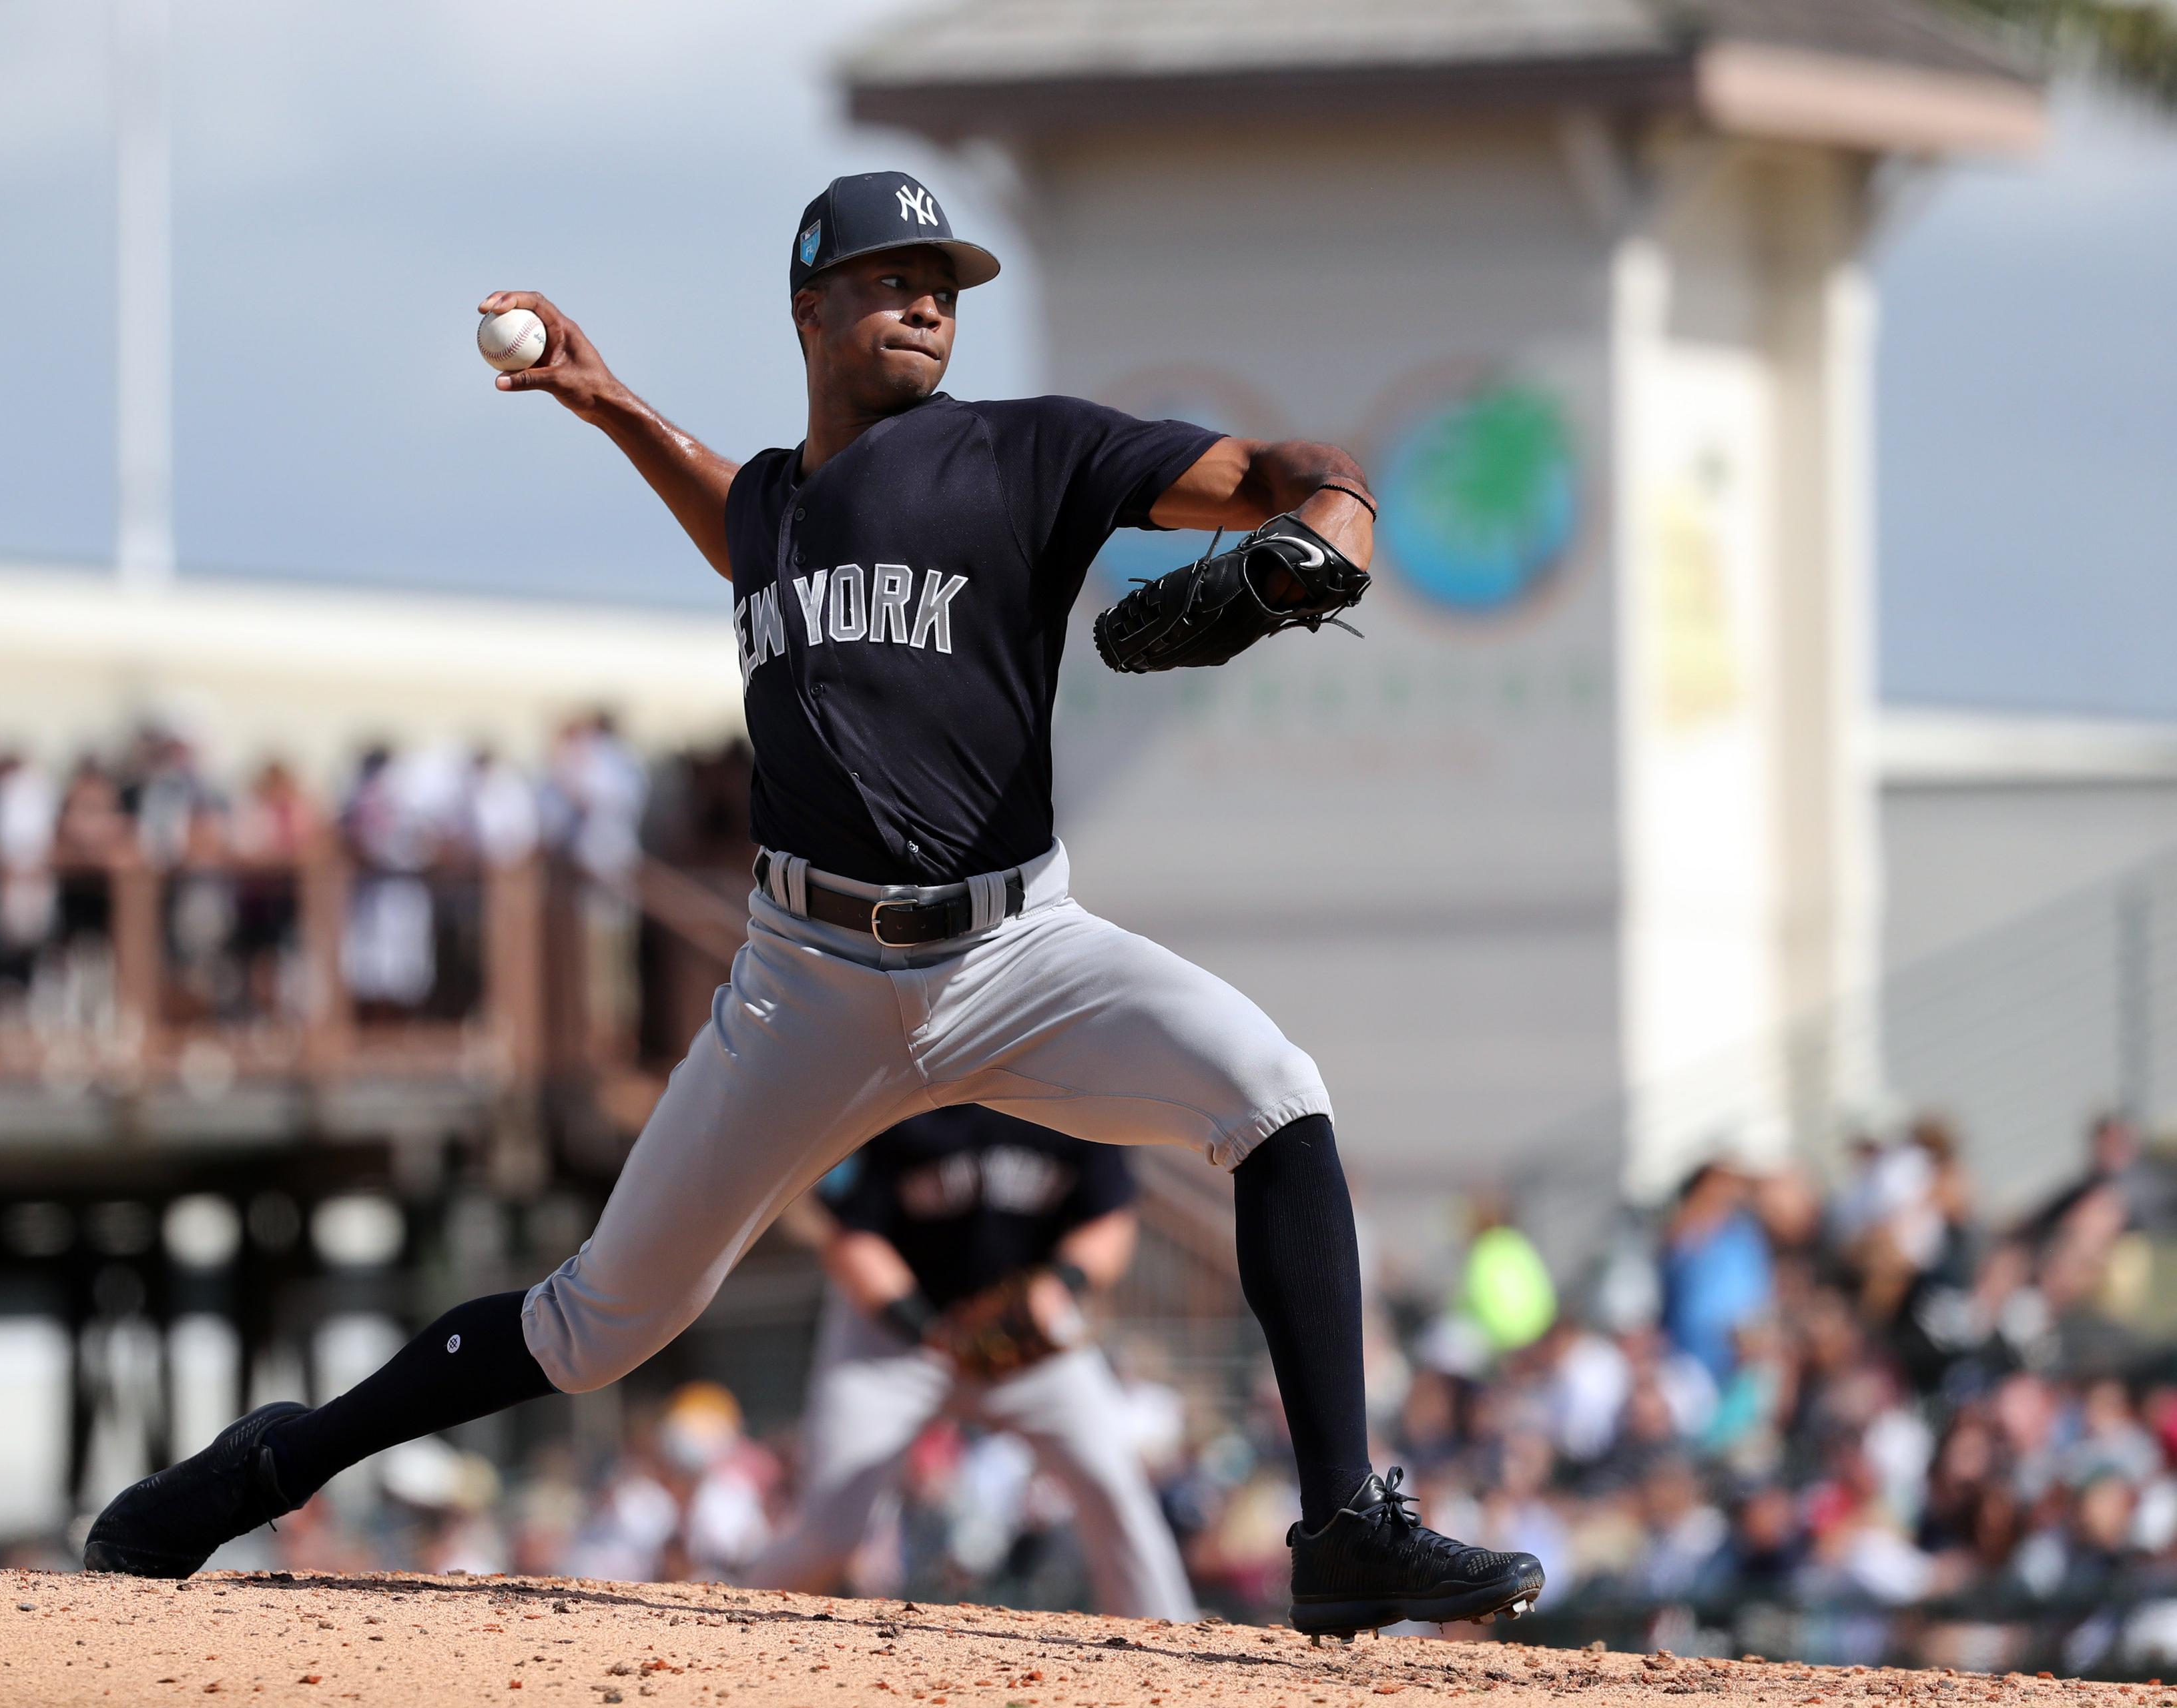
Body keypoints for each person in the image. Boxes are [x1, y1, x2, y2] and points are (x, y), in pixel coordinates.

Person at [85, 169, 1542, 1634]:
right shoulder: (777, 507)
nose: (928, 299)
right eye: (893, 272)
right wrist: (603, 400)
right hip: (805, 980)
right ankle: (276, 1457)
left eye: (947, 283)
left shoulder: (1027, 452)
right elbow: (737, 516)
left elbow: (1285, 468)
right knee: (593, 1329)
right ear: (808, 304)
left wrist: (1338, 515)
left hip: (1017, 946)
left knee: (1275, 1093)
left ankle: (1344, 1521)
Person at [749, 1105, 1197, 1619]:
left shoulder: (1072, 1090)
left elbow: (1110, 1217)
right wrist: (928, 1331)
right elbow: (849, 1236)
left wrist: (1059, 1289)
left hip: (1025, 1338)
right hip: (894, 1342)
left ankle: (1172, 1654)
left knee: (1117, 1494)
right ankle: (727, 1630)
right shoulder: (902, 1093)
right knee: (830, 1531)